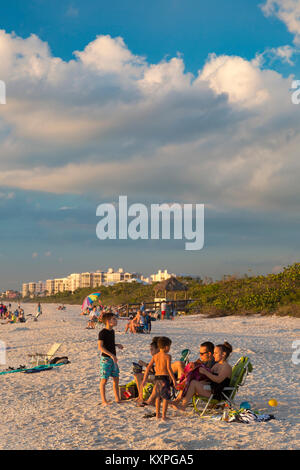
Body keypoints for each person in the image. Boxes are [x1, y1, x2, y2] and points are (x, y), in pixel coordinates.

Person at [172, 342, 233, 410]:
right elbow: (207, 377)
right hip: (211, 389)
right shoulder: (217, 365)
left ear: (223, 354)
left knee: (193, 383)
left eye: (215, 353)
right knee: (191, 380)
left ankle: (183, 406)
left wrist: (205, 372)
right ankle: (179, 402)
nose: (213, 355)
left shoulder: (226, 367)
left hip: (217, 394)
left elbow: (218, 379)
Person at [142, 337, 176, 421]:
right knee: (165, 398)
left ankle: (157, 414)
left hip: (156, 379)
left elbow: (148, 367)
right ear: (166, 347)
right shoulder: (168, 356)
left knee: (158, 397)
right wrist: (174, 379)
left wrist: (145, 379)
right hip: (164, 379)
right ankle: (164, 416)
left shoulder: (155, 356)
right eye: (169, 346)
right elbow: (169, 368)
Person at [98, 312, 124, 406]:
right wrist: (111, 355)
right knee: (104, 380)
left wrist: (117, 345)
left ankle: (117, 398)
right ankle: (104, 400)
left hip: (113, 359)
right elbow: (100, 347)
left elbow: (109, 344)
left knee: (116, 379)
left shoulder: (112, 331)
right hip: (106, 359)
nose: (116, 320)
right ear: (108, 321)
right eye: (114, 319)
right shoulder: (102, 332)